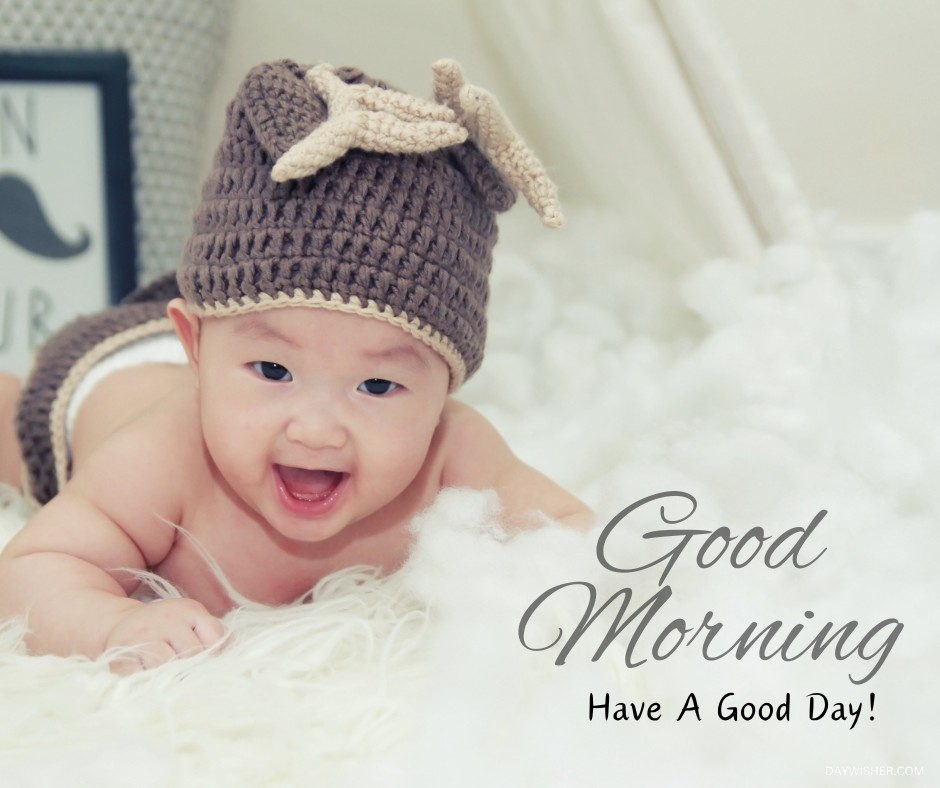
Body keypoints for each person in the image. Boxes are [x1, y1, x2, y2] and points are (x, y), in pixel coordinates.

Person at [0, 58, 591, 673]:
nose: (316, 429)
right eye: (275, 373)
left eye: (378, 384)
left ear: (445, 387)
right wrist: (115, 623)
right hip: (102, 374)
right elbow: (31, 568)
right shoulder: (163, 459)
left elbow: (576, 535)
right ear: (196, 349)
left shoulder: (450, 451)